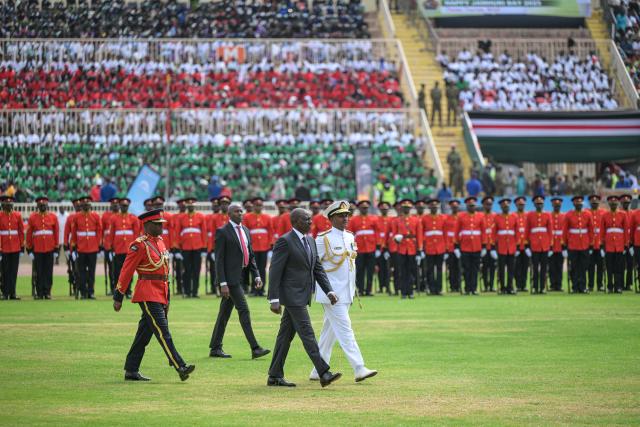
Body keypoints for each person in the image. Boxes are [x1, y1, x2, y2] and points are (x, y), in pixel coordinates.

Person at [112, 209, 195, 382]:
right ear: (148, 225)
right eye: (158, 224)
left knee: (144, 334)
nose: (161, 227)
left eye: (161, 224)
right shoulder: (139, 245)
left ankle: (131, 369)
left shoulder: (160, 242)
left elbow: (164, 270)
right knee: (163, 331)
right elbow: (126, 271)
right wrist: (118, 295)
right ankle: (180, 365)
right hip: (147, 292)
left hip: (162, 290)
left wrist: (168, 295)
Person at [267, 208, 342, 388]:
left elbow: (317, 268)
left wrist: (329, 291)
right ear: (295, 222)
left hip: (303, 294)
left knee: (285, 337)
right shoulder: (284, 242)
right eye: (306, 219)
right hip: (292, 296)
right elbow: (275, 271)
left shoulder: (310, 240)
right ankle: (324, 372)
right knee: (307, 334)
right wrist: (273, 298)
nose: (310, 222)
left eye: (310, 219)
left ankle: (274, 375)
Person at [309, 201, 377, 382]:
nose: (345, 218)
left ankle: (317, 369)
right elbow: (314, 266)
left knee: (329, 332)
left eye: (347, 215)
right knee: (346, 330)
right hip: (331, 294)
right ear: (331, 218)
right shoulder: (323, 239)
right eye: (341, 215)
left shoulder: (350, 236)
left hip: (347, 292)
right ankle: (359, 367)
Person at [209, 203, 271, 359]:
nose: (240, 213)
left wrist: (256, 274)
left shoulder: (245, 231)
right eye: (237, 211)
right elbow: (219, 260)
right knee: (244, 310)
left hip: (241, 276)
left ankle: (215, 347)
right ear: (229, 214)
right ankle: (255, 348)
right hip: (230, 280)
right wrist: (222, 283)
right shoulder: (222, 232)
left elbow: (250, 255)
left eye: (241, 211)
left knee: (224, 313)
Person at [106, 198, 141, 298]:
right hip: (118, 249)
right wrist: (110, 247)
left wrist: (136, 247)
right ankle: (118, 291)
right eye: (122, 205)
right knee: (117, 271)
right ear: (120, 206)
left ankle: (128, 291)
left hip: (129, 250)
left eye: (125, 206)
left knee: (129, 272)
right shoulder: (114, 218)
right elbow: (111, 234)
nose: (124, 207)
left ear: (128, 207)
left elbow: (136, 234)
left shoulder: (133, 218)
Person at [26, 196, 60, 299]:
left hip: (49, 248)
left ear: (47, 205)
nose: (42, 206)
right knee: (39, 271)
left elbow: (56, 233)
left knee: (48, 271)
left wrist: (56, 248)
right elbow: (29, 233)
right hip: (38, 248)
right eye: (40, 205)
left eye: (44, 205)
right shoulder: (33, 217)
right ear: (37, 206)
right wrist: (29, 249)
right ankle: (40, 292)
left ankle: (47, 292)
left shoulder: (53, 217)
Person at [69, 197, 103, 299]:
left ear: (90, 205)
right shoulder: (76, 217)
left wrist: (98, 245)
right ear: (82, 206)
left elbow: (99, 232)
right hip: (81, 248)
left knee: (91, 272)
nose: (86, 206)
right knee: (81, 272)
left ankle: (91, 292)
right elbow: (74, 233)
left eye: (88, 204)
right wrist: (73, 247)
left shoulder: (95, 216)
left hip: (92, 248)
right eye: (84, 204)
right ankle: (83, 292)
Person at [174, 197, 207, 298]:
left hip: (197, 248)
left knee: (196, 271)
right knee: (186, 271)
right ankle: (187, 291)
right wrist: (177, 249)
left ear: (195, 206)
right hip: (185, 248)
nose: (190, 206)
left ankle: (195, 292)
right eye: (189, 205)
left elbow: (204, 233)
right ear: (187, 206)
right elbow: (177, 233)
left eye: (192, 205)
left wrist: (204, 248)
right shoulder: (181, 218)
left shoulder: (201, 217)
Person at [390, 199, 423, 299]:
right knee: (402, 271)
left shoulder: (416, 220)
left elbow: (419, 236)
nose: (406, 209)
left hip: (412, 248)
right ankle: (404, 292)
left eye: (408, 208)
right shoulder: (397, 220)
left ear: (410, 209)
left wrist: (419, 250)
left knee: (411, 271)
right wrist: (396, 239)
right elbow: (394, 235)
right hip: (401, 248)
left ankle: (411, 291)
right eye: (404, 207)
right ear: (402, 208)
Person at [243, 197, 273, 297]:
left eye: (260, 205)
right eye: (256, 205)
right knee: (253, 269)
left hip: (264, 247)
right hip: (252, 247)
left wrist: (270, 245)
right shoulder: (247, 217)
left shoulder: (267, 217)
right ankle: (253, 289)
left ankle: (262, 289)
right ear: (253, 206)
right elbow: (245, 232)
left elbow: (270, 232)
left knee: (262, 268)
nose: (258, 207)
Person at [455, 196, 485, 295]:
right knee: (467, 269)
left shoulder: (480, 216)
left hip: (476, 246)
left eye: (473, 206)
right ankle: (467, 288)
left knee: (475, 269)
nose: (471, 207)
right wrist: (456, 246)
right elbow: (457, 231)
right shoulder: (461, 216)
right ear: (467, 206)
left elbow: (483, 232)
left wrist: (484, 246)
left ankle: (474, 288)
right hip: (465, 246)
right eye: (469, 206)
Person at [347, 200, 379, 297]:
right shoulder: (353, 220)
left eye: (366, 208)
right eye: (362, 207)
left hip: (371, 248)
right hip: (359, 250)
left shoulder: (373, 219)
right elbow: (351, 236)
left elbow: (377, 234)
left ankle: (368, 290)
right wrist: (354, 249)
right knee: (360, 270)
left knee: (370, 271)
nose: (364, 209)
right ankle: (360, 290)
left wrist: (377, 248)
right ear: (359, 208)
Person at [563, 196, 593, 293]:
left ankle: (583, 286)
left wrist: (591, 243)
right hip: (573, 244)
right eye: (577, 204)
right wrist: (564, 245)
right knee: (574, 266)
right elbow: (565, 230)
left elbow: (591, 230)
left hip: (584, 244)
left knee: (584, 266)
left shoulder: (587, 214)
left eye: (580, 204)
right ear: (574, 204)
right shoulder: (569, 214)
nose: (579, 205)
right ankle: (575, 286)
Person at [601, 195, 627, 293]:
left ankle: (618, 286)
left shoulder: (623, 215)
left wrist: (625, 244)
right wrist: (602, 245)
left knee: (619, 267)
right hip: (609, 245)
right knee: (609, 267)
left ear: (617, 204)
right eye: (612, 203)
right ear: (609, 204)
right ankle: (610, 286)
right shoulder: (605, 215)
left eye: (615, 203)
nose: (613, 205)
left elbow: (625, 230)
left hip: (619, 245)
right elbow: (602, 231)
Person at [0, 195, 24, 300]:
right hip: (4, 247)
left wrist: (22, 246)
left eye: (10, 204)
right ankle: (5, 293)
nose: (9, 205)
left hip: (15, 247)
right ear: (3, 205)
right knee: (5, 271)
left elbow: (21, 232)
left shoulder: (17, 215)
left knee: (14, 271)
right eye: (7, 204)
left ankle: (13, 292)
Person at [526, 195, 552, 294]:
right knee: (535, 268)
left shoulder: (547, 215)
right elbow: (527, 230)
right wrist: (527, 245)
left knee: (544, 268)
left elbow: (550, 231)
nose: (539, 205)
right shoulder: (530, 215)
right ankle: (535, 287)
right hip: (534, 245)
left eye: (541, 203)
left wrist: (551, 245)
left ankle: (542, 287)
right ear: (534, 204)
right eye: (537, 204)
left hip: (544, 245)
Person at [422, 198, 446, 295]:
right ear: (429, 207)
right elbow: (422, 233)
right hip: (429, 247)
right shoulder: (425, 218)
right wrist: (422, 246)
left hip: (440, 247)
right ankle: (431, 289)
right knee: (430, 269)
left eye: (436, 206)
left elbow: (445, 233)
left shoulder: (442, 218)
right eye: (432, 206)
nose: (434, 208)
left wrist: (446, 247)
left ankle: (439, 289)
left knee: (439, 269)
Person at [494, 198, 517, 294]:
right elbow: (494, 232)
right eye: (504, 206)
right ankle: (502, 287)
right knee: (501, 269)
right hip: (501, 247)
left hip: (511, 247)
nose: (506, 208)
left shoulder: (513, 217)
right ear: (501, 207)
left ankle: (510, 287)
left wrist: (518, 245)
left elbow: (517, 232)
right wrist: (494, 246)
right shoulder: (497, 218)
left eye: (507, 206)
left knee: (511, 269)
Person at [587, 195, 605, 292]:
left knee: (600, 266)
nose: (594, 203)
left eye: (596, 202)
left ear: (599, 203)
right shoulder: (586, 212)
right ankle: (590, 285)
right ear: (590, 203)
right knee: (590, 267)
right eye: (593, 202)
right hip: (590, 245)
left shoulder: (603, 212)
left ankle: (600, 284)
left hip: (600, 244)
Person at [102, 198, 119, 295]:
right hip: (108, 247)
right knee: (111, 268)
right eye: (113, 204)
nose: (115, 205)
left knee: (118, 269)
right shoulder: (105, 216)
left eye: (117, 204)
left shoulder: (121, 216)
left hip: (118, 247)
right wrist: (102, 245)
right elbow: (102, 231)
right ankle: (112, 287)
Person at [548, 197, 566, 292]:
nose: (557, 207)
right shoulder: (549, 215)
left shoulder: (564, 216)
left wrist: (564, 246)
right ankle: (552, 284)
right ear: (552, 205)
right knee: (551, 267)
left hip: (560, 245)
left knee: (559, 266)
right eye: (555, 205)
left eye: (558, 205)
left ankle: (558, 284)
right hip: (551, 245)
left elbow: (565, 231)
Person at [444, 199, 462, 292]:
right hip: (450, 247)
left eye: (456, 206)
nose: (455, 208)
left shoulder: (461, 217)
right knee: (451, 268)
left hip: (460, 247)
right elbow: (446, 234)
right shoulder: (447, 218)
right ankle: (452, 286)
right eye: (453, 207)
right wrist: (446, 249)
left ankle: (458, 285)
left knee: (460, 268)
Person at [376, 201, 392, 294]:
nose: (384, 210)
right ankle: (381, 286)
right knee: (380, 268)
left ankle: (388, 286)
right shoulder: (376, 220)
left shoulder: (391, 219)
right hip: (379, 247)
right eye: (382, 209)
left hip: (389, 247)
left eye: (385, 209)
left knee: (388, 268)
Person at [480, 196, 496, 292]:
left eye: (490, 204)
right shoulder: (480, 216)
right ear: (483, 205)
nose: (488, 206)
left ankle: (492, 285)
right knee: (485, 267)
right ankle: (485, 285)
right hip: (484, 246)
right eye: (487, 204)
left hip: (493, 246)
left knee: (493, 267)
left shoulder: (495, 216)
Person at [513, 197, 529, 292]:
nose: (521, 206)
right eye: (519, 205)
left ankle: (524, 284)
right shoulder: (513, 215)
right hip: (516, 246)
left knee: (525, 266)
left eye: (522, 205)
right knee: (517, 266)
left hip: (526, 245)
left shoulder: (528, 215)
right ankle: (518, 284)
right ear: (516, 205)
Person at [620, 194, 634, 290]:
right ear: (621, 203)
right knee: (620, 265)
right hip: (621, 243)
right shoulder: (619, 213)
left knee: (630, 265)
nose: (626, 204)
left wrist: (632, 243)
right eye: (624, 203)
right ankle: (620, 283)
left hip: (631, 243)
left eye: (627, 203)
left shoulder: (633, 213)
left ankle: (628, 284)